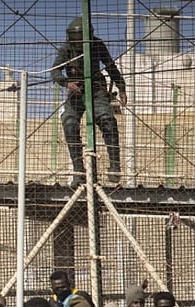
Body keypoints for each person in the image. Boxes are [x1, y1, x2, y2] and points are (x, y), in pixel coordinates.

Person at [51, 17, 127, 187]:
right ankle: (79, 171)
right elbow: (55, 71)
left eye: (81, 39)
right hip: (76, 91)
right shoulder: (66, 49)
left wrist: (121, 87)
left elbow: (110, 66)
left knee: (107, 119)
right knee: (69, 122)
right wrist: (66, 82)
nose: (78, 43)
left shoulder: (97, 45)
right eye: (75, 39)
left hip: (96, 88)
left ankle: (115, 165)